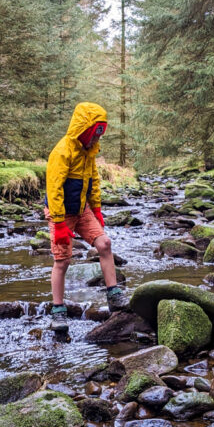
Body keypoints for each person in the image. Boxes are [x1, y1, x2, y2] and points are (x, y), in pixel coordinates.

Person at [45, 102, 128, 333]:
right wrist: (60, 223)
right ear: (84, 129)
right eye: (94, 133)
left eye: (99, 134)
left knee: (105, 244)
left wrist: (97, 209)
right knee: (62, 260)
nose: (96, 139)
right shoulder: (62, 151)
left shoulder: (89, 152)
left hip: (82, 210)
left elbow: (93, 181)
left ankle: (114, 296)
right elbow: (54, 189)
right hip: (60, 211)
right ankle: (58, 310)